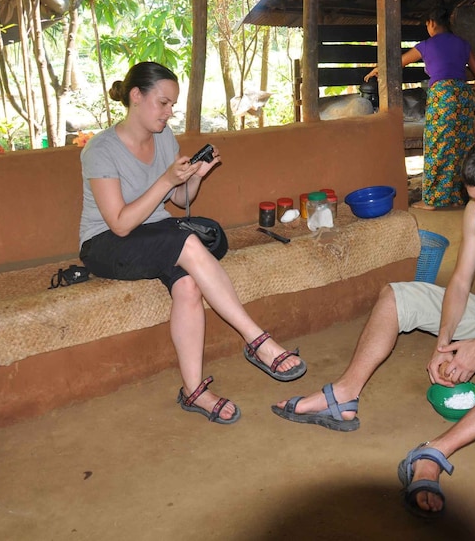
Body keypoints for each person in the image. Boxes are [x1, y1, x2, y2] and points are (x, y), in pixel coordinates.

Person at [272, 139, 475, 517]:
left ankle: (434, 452)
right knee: (395, 296)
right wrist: (444, 343)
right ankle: (343, 396)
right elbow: (461, 281)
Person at [79, 61, 306, 425]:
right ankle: (257, 340)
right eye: (163, 103)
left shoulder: (163, 138)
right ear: (136, 97)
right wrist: (167, 180)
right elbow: (120, 224)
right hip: (106, 245)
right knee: (187, 244)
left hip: (155, 234)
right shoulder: (100, 150)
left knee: (187, 286)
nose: (170, 113)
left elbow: (177, 199)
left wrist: (195, 176)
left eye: (172, 105)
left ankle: (194, 391)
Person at [364, 3, 475, 211]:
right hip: (463, 97)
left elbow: (397, 63)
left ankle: (432, 200)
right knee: (460, 146)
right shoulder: (463, 44)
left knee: (436, 146)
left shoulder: (426, 45)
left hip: (443, 97)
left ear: (431, 23)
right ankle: (458, 196)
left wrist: (377, 70)